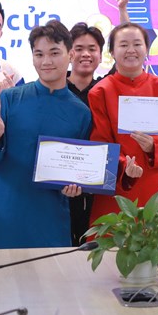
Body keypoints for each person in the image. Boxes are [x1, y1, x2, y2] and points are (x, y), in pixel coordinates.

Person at [0, 20, 91, 248]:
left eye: (54, 53)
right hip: (8, 212)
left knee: (53, 270)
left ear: (70, 54)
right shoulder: (10, 98)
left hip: (53, 215)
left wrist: (75, 187)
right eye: (39, 54)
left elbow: (80, 168)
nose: (46, 61)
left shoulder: (81, 112)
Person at [88, 23, 158, 225]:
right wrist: (125, 166)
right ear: (112, 52)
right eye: (123, 45)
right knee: (116, 241)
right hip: (118, 184)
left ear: (147, 49)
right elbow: (100, 141)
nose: (131, 50)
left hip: (157, 184)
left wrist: (154, 147)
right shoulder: (100, 92)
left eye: (137, 44)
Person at [66, 22, 106, 243]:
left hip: (97, 184)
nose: (86, 54)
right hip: (60, 182)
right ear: (69, 52)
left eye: (92, 49)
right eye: (79, 48)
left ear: (101, 55)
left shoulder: (105, 89)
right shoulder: (55, 87)